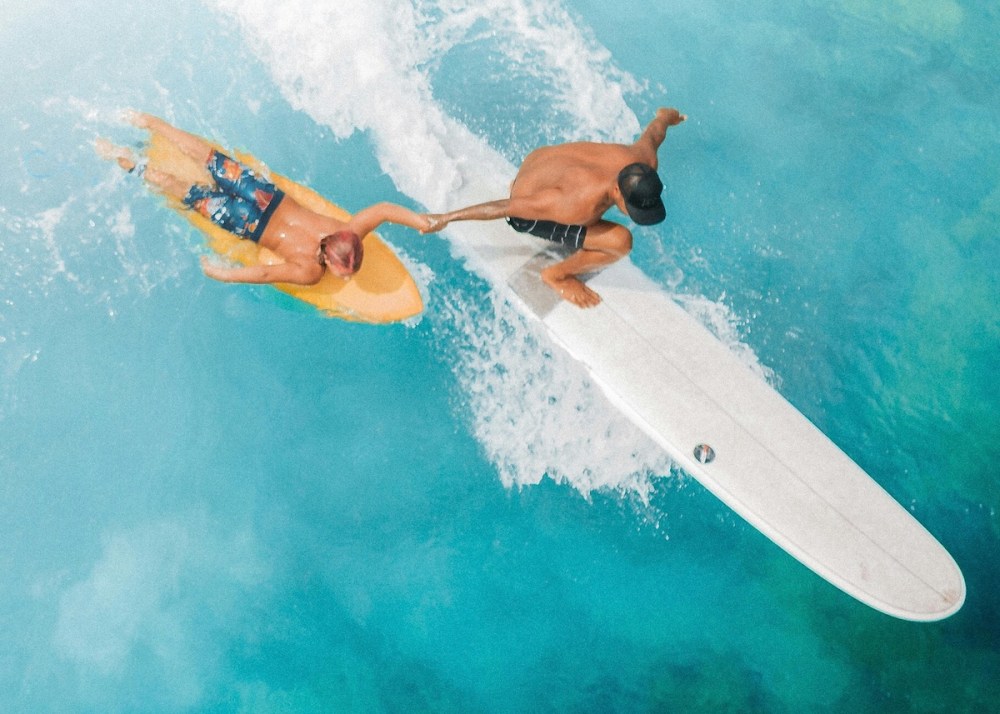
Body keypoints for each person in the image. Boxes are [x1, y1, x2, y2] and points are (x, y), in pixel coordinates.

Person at [98, 112, 432, 286]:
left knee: (207, 157)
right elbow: (266, 275)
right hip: (246, 223)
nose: (349, 274)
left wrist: (421, 221)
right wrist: (223, 273)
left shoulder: (350, 228)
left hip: (263, 195)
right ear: (330, 260)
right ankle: (123, 159)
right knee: (178, 187)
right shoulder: (311, 272)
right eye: (346, 270)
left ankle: (151, 123)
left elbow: (385, 210)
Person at [426, 107, 686, 308]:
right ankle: (556, 275)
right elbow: (506, 207)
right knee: (621, 242)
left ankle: (531, 188)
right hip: (529, 204)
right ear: (617, 190)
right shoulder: (577, 205)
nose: (633, 214)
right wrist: (448, 217)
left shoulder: (643, 159)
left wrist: (667, 116)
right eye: (632, 208)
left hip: (540, 162)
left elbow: (655, 132)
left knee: (588, 217)